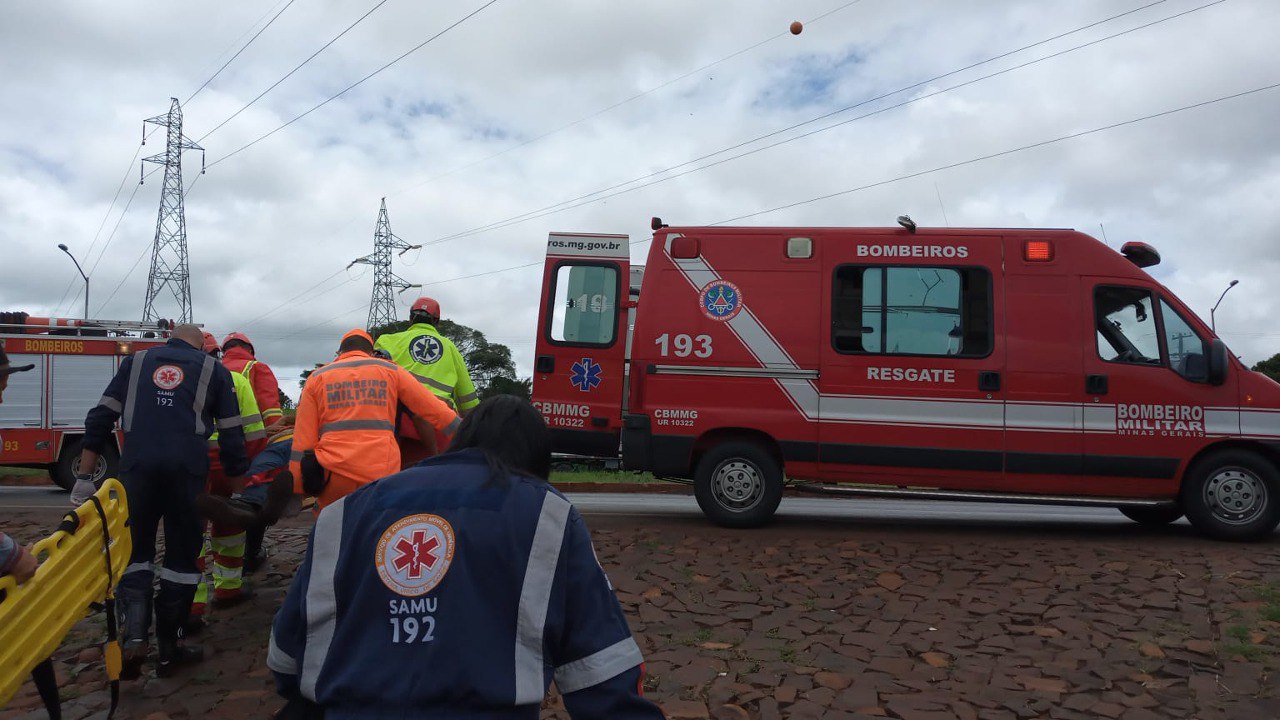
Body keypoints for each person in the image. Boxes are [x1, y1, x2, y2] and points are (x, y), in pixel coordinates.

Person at [268, 396, 665, 719]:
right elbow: (602, 670)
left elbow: (287, 660)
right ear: (536, 460)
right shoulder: (546, 513)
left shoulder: (344, 513)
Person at [75, 323, 248, 678]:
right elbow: (232, 435)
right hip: (187, 473)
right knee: (182, 559)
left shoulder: (136, 362)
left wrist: (83, 477)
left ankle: (134, 637)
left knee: (134, 555)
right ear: (201, 345)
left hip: (137, 471)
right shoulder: (213, 369)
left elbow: (101, 418)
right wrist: (238, 488)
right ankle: (172, 647)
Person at [290, 328, 460, 509]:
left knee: (332, 529)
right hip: (380, 472)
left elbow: (303, 438)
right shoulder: (391, 371)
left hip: (332, 474)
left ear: (340, 352)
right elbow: (435, 411)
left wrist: (298, 488)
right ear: (371, 352)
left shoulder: (317, 378)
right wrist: (470, 434)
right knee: (377, 528)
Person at [190, 332, 268, 624]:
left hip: (192, 466)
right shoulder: (237, 380)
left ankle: (192, 606)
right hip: (228, 465)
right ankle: (228, 590)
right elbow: (255, 434)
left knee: (190, 532)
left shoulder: (181, 380)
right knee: (230, 528)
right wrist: (256, 468)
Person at [374, 297, 480, 466]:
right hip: (439, 427)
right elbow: (468, 402)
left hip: (393, 425)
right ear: (436, 321)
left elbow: (371, 376)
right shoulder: (450, 348)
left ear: (410, 318)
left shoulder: (387, 340)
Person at [221, 332, 285, 428]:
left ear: (224, 351)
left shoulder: (213, 369)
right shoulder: (257, 367)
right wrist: (277, 431)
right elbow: (270, 407)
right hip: (251, 434)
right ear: (249, 350)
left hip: (214, 436)